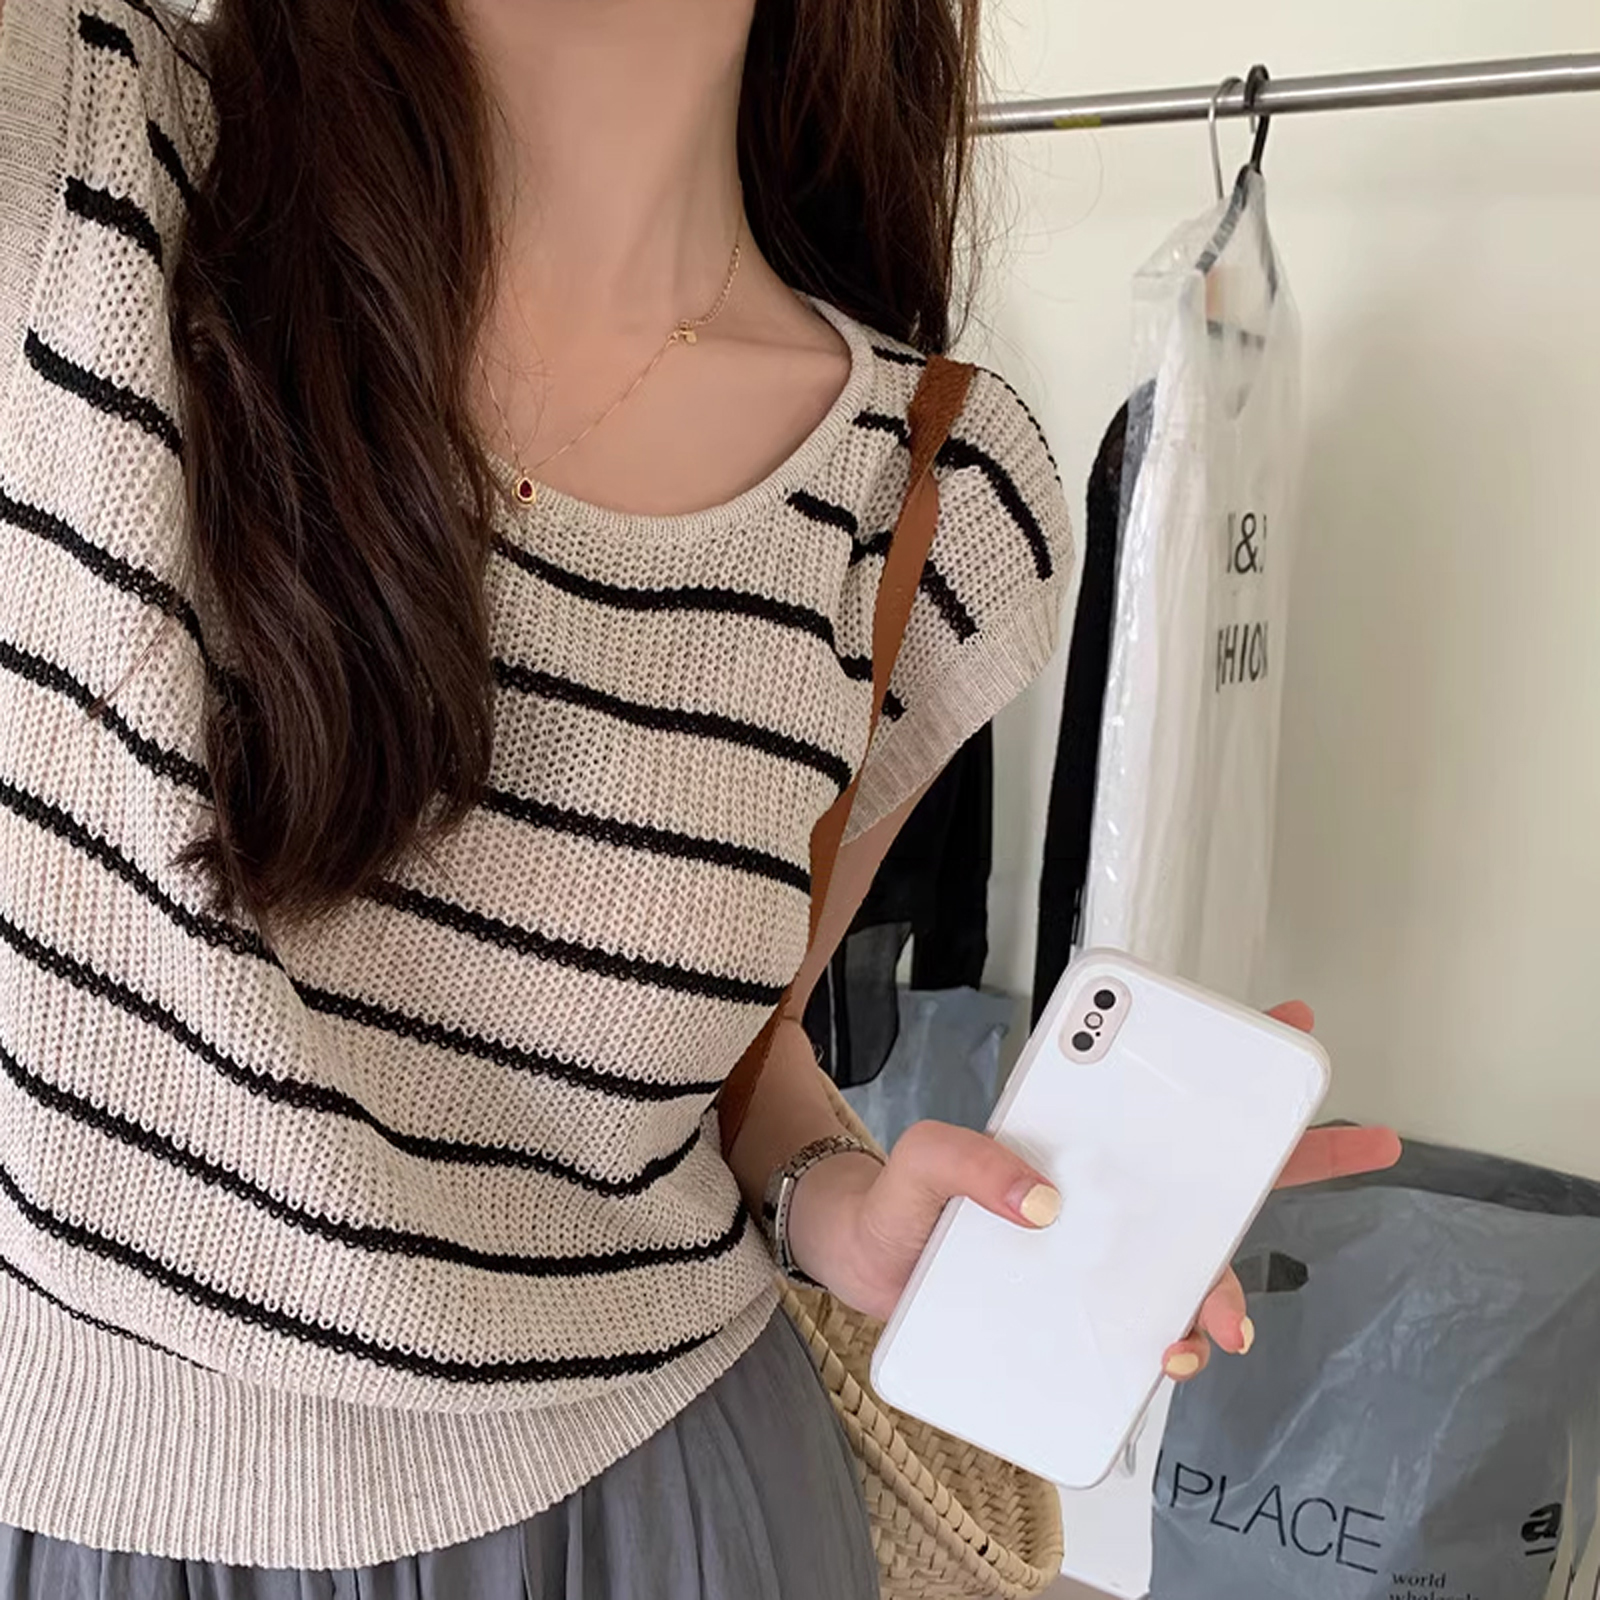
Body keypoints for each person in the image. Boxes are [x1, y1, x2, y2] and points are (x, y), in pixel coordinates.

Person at [0, 0, 1400, 1593]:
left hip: (660, 1518)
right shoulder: (88, 142)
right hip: (84, 1516)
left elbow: (739, 1055)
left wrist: (843, 1206)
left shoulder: (931, 493)